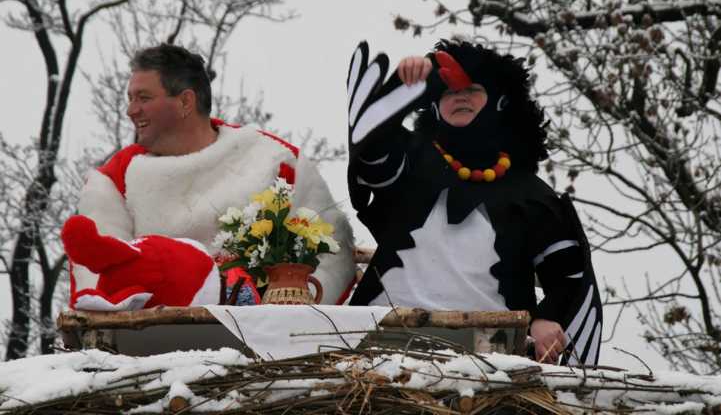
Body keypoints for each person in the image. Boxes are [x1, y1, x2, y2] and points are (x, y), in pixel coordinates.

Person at [346, 39, 603, 365]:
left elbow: (569, 276)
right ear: (435, 106)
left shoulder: (532, 194)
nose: (460, 96)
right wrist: (401, 88)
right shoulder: (410, 161)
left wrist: (546, 318)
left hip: (492, 353)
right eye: (448, 91)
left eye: (473, 89)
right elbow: (372, 157)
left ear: (499, 101)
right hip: (382, 335)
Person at [74, 43, 356, 306]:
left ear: (185, 102)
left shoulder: (273, 159)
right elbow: (99, 275)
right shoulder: (114, 180)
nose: (131, 110)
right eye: (130, 98)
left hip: (264, 339)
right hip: (151, 342)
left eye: (143, 98)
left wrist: (291, 315)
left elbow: (334, 254)